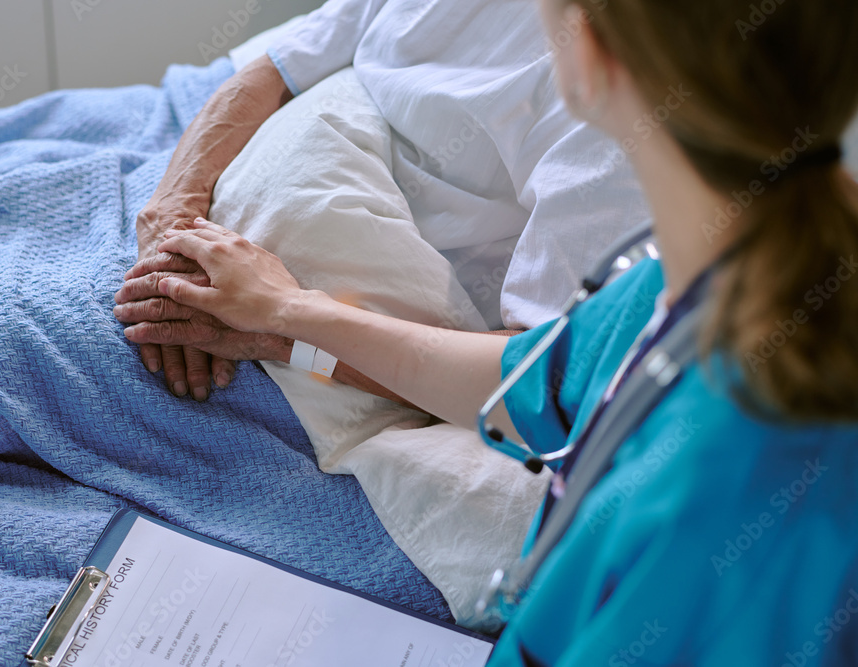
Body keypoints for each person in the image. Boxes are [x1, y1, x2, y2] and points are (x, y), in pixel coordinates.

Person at [115, 0, 858, 663]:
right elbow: (531, 382)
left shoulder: (712, 505)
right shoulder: (677, 286)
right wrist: (285, 315)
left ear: (591, 53)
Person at [119, 0, 646, 404]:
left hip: (311, 342)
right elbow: (282, 63)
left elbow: (532, 379)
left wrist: (278, 332)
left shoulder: (622, 127)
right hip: (204, 206)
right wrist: (170, 221)